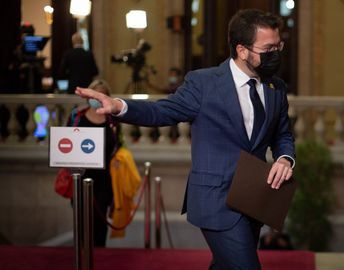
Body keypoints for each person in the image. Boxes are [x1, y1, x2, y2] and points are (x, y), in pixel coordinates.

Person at [76, 9, 295, 269]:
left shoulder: (275, 88)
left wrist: (284, 158)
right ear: (242, 50)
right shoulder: (203, 83)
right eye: (268, 48)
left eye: (278, 46)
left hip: (254, 200)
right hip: (216, 201)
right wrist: (120, 106)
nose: (276, 54)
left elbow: (282, 134)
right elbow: (162, 111)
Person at [68, 79, 121, 246]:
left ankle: (100, 255)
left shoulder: (112, 120)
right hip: (81, 176)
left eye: (102, 94)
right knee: (82, 220)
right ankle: (82, 255)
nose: (97, 98)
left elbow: (119, 145)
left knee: (100, 222)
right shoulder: (77, 117)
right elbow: (65, 142)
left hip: (104, 179)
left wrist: (119, 158)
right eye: (94, 93)